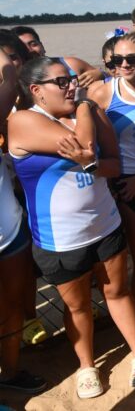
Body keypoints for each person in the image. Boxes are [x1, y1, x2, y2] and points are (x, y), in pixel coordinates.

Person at [9, 57, 135, 398]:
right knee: (77, 307)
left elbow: (113, 165)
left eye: (73, 79)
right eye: (61, 82)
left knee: (117, 292)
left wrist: (91, 160)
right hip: (60, 238)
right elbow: (85, 146)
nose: (72, 85)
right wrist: (87, 112)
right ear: (36, 91)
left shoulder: (91, 113)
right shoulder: (24, 121)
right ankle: (87, 366)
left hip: (105, 224)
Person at [88, 32, 135, 355]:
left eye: (132, 58)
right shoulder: (104, 92)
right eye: (117, 60)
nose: (125, 65)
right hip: (127, 184)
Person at [0, 49, 47, 395]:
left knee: (13, 307)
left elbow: (9, 76)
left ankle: (10, 371)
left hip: (11, 231)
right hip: (11, 232)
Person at [10, 26, 105, 92]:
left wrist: (101, 74)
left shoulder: (70, 64)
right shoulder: (15, 80)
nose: (30, 50)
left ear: (42, 46)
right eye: (23, 47)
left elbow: (113, 79)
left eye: (33, 44)